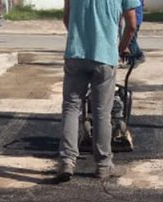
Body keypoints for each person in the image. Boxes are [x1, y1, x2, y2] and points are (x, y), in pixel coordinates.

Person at [57, 0, 139, 182]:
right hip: (105, 56)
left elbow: (67, 18)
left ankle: (67, 161)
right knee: (102, 112)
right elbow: (132, 25)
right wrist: (120, 48)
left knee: (71, 107)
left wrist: (79, 37)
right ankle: (103, 165)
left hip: (76, 54)